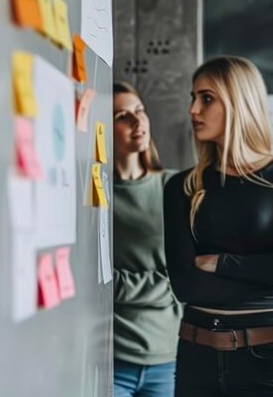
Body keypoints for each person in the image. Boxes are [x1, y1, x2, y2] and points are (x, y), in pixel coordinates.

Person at [163, 55, 273, 397]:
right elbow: (186, 287)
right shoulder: (182, 186)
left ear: (239, 102)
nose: (193, 110)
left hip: (271, 358)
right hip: (197, 357)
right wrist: (270, 269)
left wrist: (220, 263)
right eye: (193, 97)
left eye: (206, 98)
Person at [112, 82, 181, 397]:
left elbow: (185, 278)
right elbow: (94, 286)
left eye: (139, 111)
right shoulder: (94, 198)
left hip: (167, 356)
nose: (137, 122)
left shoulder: (176, 187)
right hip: (110, 356)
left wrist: (119, 286)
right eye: (122, 116)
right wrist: (160, 285)